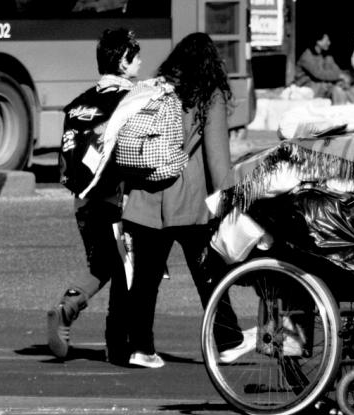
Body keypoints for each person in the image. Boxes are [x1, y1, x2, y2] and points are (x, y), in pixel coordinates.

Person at [113, 32, 252, 368]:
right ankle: (229, 339)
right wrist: (234, 200)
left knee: (144, 280)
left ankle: (141, 348)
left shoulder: (153, 87)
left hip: (145, 197)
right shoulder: (208, 95)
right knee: (209, 274)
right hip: (188, 201)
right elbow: (218, 163)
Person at [47, 27, 141, 359]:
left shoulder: (80, 102)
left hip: (83, 198)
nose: (140, 59)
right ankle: (120, 343)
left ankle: (68, 306)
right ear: (124, 60)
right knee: (129, 268)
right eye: (136, 53)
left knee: (101, 265)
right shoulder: (132, 98)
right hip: (118, 197)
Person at [294, 30, 354, 105]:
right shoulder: (306, 56)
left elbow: (335, 70)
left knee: (340, 88)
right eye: (327, 40)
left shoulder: (326, 56)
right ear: (318, 42)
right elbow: (319, 74)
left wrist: (341, 78)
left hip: (322, 87)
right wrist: (339, 76)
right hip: (308, 88)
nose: (329, 43)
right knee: (337, 89)